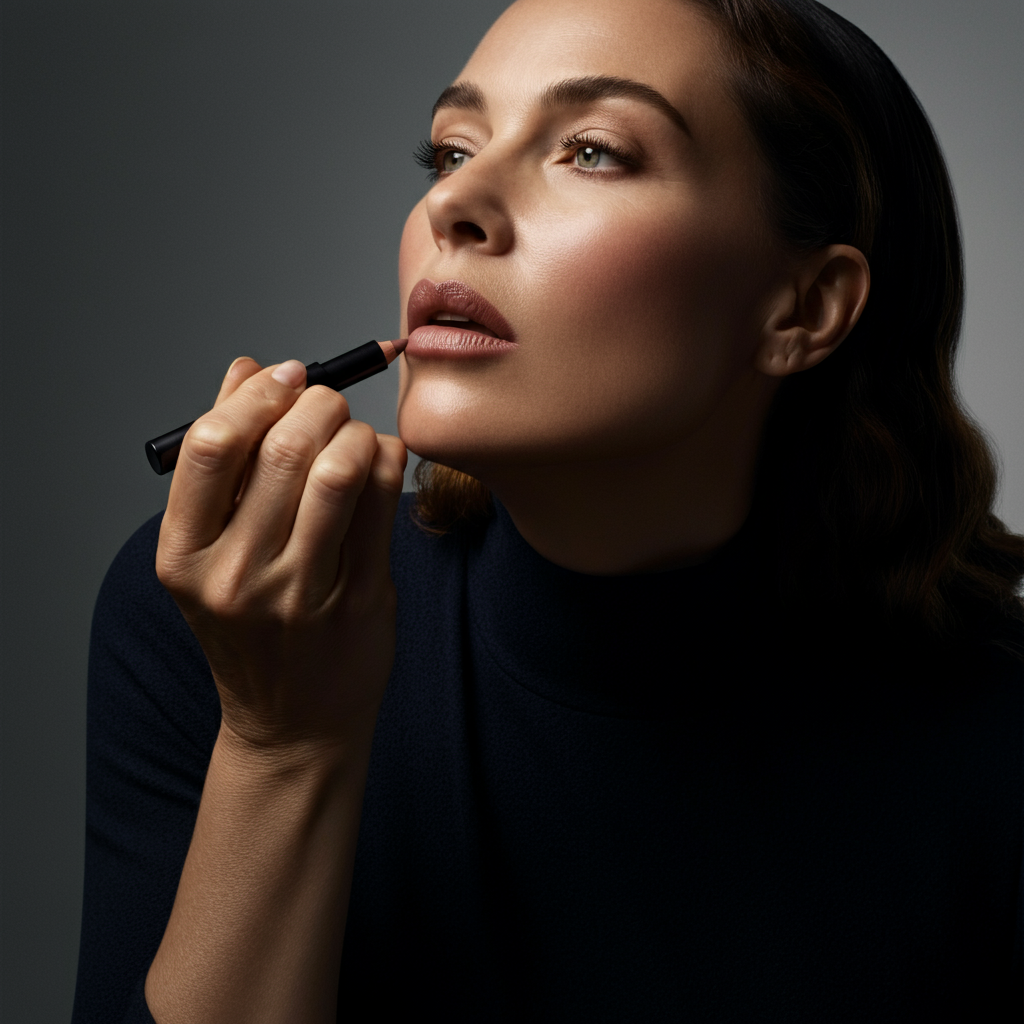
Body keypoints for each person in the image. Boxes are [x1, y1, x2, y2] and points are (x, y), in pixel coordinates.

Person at [73, 0, 1023, 1021]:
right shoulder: (242, 619)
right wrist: (279, 746)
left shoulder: (991, 736)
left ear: (800, 307)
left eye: (592, 151)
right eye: (449, 150)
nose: (459, 204)